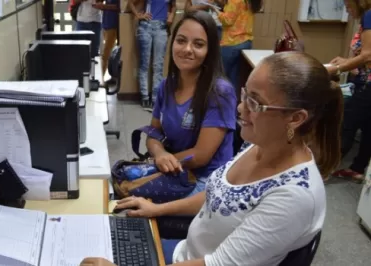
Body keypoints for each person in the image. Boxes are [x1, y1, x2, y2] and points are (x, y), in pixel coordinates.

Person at [81, 51, 342, 265]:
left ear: (296, 118)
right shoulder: (259, 144)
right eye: (245, 95)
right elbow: (218, 195)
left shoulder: (295, 197)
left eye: (255, 103)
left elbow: (217, 264)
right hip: (185, 254)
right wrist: (156, 209)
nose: (240, 108)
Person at [148, 11, 236, 197]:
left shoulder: (220, 92)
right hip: (175, 171)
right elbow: (153, 132)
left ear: (210, 50)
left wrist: (159, 162)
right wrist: (159, 154)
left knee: (134, 205)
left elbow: (200, 156)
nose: (187, 49)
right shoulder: (167, 84)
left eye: (198, 44)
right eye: (181, 41)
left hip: (206, 182)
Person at [326, 0, 371, 183]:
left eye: (347, 4)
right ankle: (358, 168)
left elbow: (368, 54)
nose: (346, 9)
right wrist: (347, 62)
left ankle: (325, 169)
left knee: (347, 121)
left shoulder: (369, 16)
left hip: (369, 83)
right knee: (369, 126)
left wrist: (338, 69)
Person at [129, 0, 176, 109]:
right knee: (144, 64)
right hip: (146, 26)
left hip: (161, 27)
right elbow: (130, 3)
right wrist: (138, 15)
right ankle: (144, 96)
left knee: (158, 65)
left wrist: (171, 16)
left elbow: (173, 6)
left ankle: (155, 98)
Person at [208, 0, 261, 89]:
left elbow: (227, 20)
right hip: (245, 41)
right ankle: (233, 100)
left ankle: (222, 100)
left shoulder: (234, 0)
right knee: (236, 77)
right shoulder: (249, 2)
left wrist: (214, 9)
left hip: (231, 42)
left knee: (222, 76)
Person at [93, 0, 120, 86]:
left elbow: (118, 7)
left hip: (113, 25)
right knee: (109, 54)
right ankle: (113, 78)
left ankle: (100, 80)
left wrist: (104, 7)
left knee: (105, 54)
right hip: (105, 24)